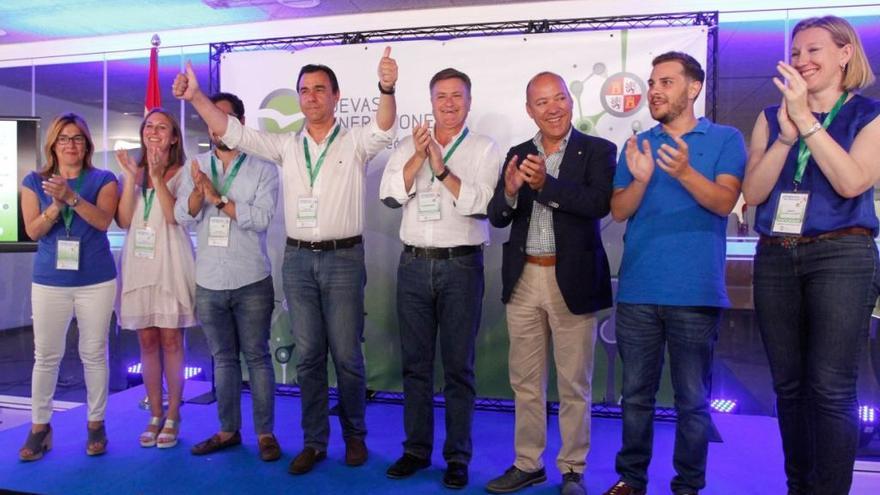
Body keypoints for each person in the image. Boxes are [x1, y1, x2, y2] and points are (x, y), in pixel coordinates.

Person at [174, 47, 398, 473]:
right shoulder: (285, 146)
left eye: (319, 90)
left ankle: (355, 437)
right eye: (304, 91)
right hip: (297, 262)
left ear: (335, 97)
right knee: (310, 356)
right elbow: (234, 132)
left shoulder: (353, 142)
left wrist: (386, 87)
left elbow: (385, 126)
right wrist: (197, 98)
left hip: (344, 259)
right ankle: (314, 441)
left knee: (348, 355)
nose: (311, 97)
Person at [741, 16, 880, 495]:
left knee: (831, 388)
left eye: (813, 50)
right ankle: (799, 486)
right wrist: (784, 135)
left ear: (845, 54)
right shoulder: (768, 117)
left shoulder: (869, 114)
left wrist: (806, 122)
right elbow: (753, 193)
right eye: (796, 52)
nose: (801, 61)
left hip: (841, 254)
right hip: (776, 256)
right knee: (789, 388)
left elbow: (852, 182)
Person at [603, 52, 747, 495]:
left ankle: (687, 486)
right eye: (651, 83)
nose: (654, 91)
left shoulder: (725, 138)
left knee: (692, 402)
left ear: (693, 88)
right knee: (636, 398)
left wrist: (683, 171)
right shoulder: (640, 143)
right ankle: (631, 480)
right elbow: (619, 210)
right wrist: (643, 179)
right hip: (638, 292)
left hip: (695, 293)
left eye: (666, 82)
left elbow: (724, 202)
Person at [485, 72, 616, 495]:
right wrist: (507, 192)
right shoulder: (518, 153)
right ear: (529, 110)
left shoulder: (598, 150)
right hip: (524, 278)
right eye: (542, 102)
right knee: (525, 380)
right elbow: (498, 217)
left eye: (559, 97)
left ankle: (573, 469)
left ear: (570, 102)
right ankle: (528, 463)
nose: (553, 107)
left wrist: (546, 186)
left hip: (572, 279)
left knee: (574, 382)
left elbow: (597, 204)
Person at [379, 68, 501, 489]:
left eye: (457, 97)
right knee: (414, 367)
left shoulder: (485, 149)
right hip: (413, 265)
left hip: (461, 266)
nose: (448, 104)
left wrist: (442, 169)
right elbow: (390, 194)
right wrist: (419, 157)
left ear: (469, 101)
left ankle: (457, 456)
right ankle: (415, 450)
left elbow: (483, 204)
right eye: (441, 97)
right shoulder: (409, 145)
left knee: (458, 369)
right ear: (431, 102)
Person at [174, 92, 282, 462]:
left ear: (238, 122)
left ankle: (266, 433)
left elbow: (262, 218)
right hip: (209, 281)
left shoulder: (264, 167)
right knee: (223, 360)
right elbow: (184, 216)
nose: (217, 124)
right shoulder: (196, 164)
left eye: (226, 117)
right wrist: (198, 194)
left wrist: (218, 199)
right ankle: (227, 430)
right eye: (212, 117)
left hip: (251, 278)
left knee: (257, 358)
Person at [18, 113, 119, 460]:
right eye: (64, 138)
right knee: (45, 356)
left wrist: (72, 198)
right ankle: (40, 428)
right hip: (49, 280)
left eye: (77, 138)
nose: (71, 144)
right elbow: (32, 231)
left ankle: (96, 423)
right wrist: (55, 207)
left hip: (96, 280)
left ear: (87, 144)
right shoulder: (34, 181)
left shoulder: (104, 179)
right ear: (53, 145)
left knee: (93, 353)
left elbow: (105, 222)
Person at [116, 108, 196, 449]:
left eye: (162, 127)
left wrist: (159, 176)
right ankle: (155, 411)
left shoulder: (183, 172)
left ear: (174, 137)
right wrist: (132, 179)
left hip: (170, 262)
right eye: (149, 126)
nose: (154, 131)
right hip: (138, 262)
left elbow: (173, 217)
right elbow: (122, 219)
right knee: (146, 341)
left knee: (171, 340)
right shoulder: (134, 172)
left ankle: (175, 412)